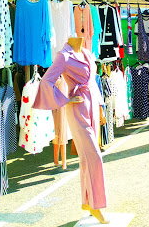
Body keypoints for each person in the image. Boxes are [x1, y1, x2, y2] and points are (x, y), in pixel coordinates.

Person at [33, 37, 109, 224]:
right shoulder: (63, 56)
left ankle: (88, 202)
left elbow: (92, 82)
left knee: (87, 158)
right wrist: (64, 100)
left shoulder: (85, 52)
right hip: (78, 109)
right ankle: (96, 205)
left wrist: (100, 108)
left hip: (91, 105)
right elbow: (46, 81)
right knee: (94, 156)